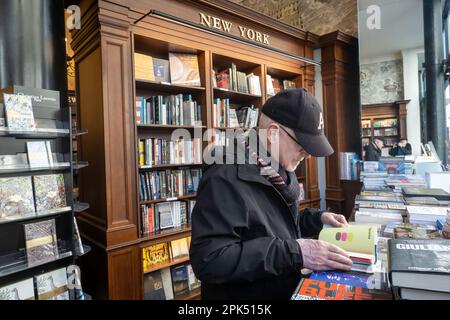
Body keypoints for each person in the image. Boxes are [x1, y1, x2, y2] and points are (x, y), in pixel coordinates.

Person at [189, 89, 353, 300]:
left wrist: (316, 219)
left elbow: (273, 226)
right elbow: (210, 259)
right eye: (302, 146)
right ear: (273, 132)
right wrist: (296, 252)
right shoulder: (224, 176)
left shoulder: (277, 167)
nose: (307, 155)